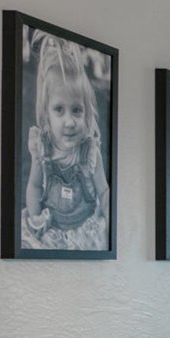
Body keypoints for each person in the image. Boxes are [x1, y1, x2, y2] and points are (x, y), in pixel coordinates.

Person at [23, 34, 110, 250]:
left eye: (76, 110)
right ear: (47, 114)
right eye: (59, 110)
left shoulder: (89, 152)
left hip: (84, 233)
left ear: (87, 114)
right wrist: (35, 221)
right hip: (53, 232)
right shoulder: (43, 149)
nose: (69, 121)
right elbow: (34, 186)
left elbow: (104, 191)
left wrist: (108, 220)